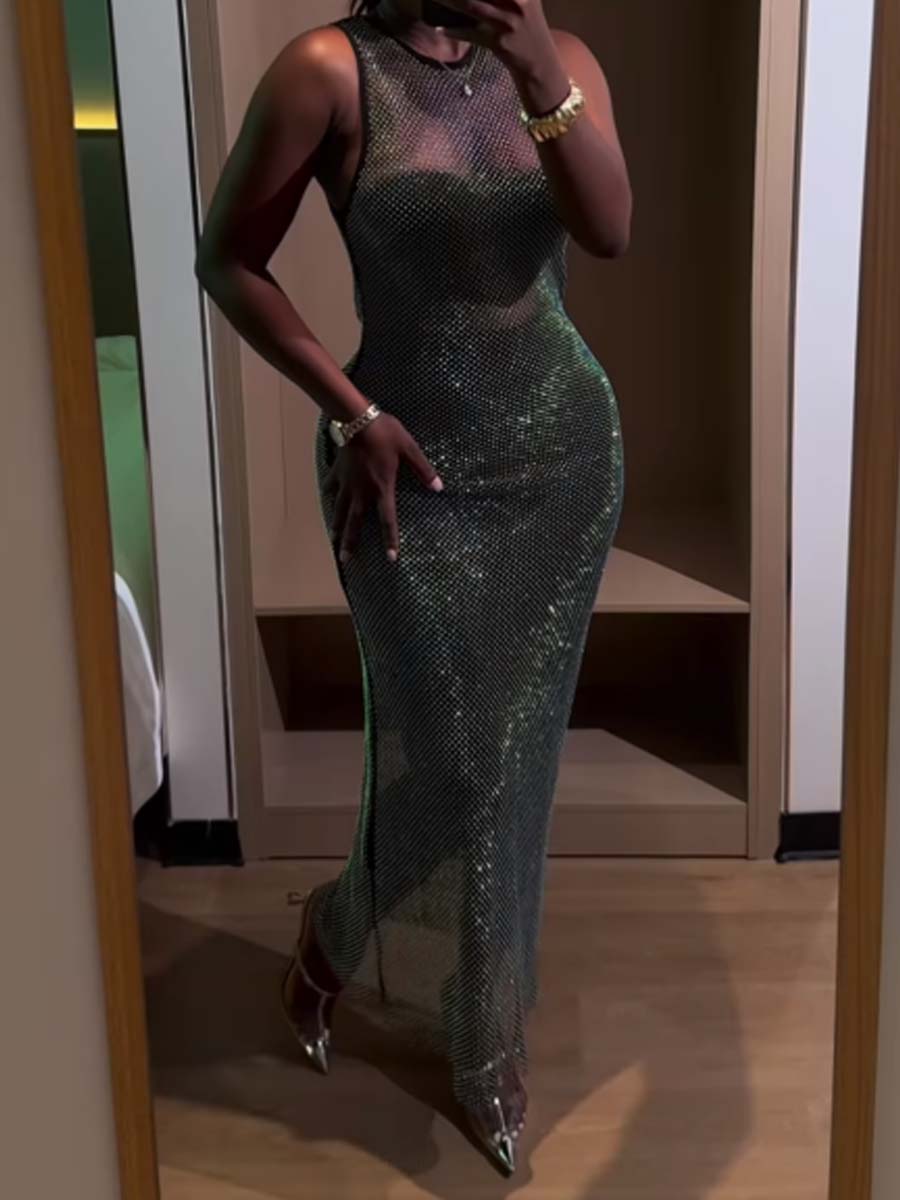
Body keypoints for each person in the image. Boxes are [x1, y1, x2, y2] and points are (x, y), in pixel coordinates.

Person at [195, 0, 631, 1175]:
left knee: (508, 768)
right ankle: (339, 938)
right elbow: (226, 259)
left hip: (562, 462)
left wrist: (534, 64)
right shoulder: (328, 71)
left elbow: (609, 229)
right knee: (453, 767)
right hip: (405, 467)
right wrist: (354, 413)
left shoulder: (558, 59)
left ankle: (482, 1035)